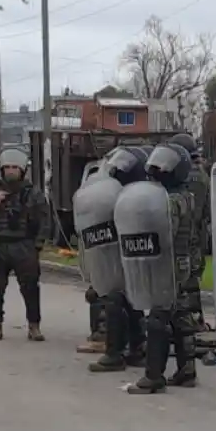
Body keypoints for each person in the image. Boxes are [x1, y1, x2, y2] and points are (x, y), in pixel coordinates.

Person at [122, 143, 197, 394]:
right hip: (180, 262)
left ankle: (153, 376)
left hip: (169, 263)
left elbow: (163, 231)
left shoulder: (172, 200)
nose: (159, 169)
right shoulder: (182, 195)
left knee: (157, 318)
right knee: (179, 316)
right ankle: (187, 370)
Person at [81, 146, 149, 373]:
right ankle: (136, 349)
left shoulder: (132, 194)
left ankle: (115, 353)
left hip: (125, 253)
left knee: (115, 300)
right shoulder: (127, 191)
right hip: (128, 253)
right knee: (131, 301)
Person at [0, 148, 50, 342]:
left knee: (30, 287)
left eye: (14, 167)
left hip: (24, 245)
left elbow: (44, 221)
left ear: (22, 169)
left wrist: (37, 245)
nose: (10, 171)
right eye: (6, 167)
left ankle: (34, 326)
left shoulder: (33, 193)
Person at [169, 133, 212, 332]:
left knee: (181, 280)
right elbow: (208, 211)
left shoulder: (181, 175)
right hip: (197, 235)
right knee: (192, 278)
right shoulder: (203, 175)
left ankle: (184, 324)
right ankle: (195, 319)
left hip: (183, 235)